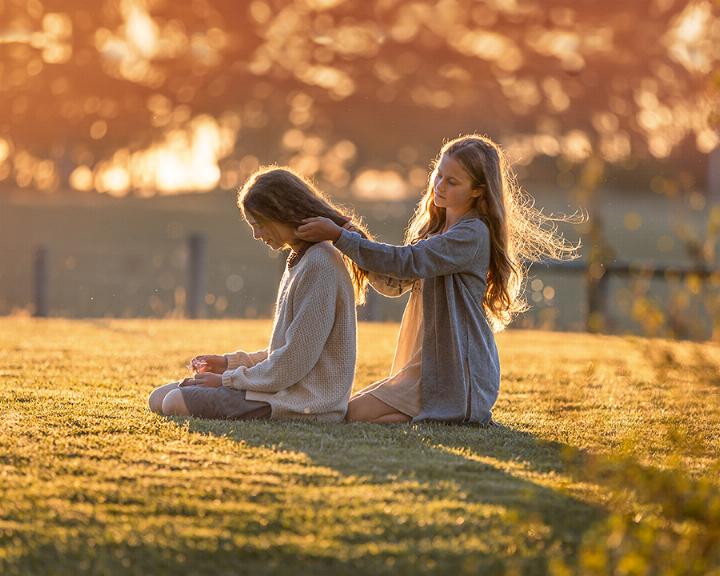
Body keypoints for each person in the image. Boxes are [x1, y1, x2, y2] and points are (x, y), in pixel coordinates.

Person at [296, 134, 578, 425]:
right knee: (350, 413)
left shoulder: (472, 234)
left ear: (478, 191)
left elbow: (408, 261)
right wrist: (348, 232)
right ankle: (428, 416)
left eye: (452, 182)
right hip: (426, 366)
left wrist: (342, 237)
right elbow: (393, 284)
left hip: (457, 371)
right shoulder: (434, 231)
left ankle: (444, 415)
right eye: (438, 176)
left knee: (352, 416)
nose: (439, 187)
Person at [148, 167, 372, 422]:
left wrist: (226, 381)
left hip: (304, 402)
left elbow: (293, 362)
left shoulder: (320, 263)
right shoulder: (300, 259)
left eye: (260, 225)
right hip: (280, 389)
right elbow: (284, 352)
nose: (256, 235)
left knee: (173, 401)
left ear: (283, 214)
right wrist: (228, 363)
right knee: (159, 396)